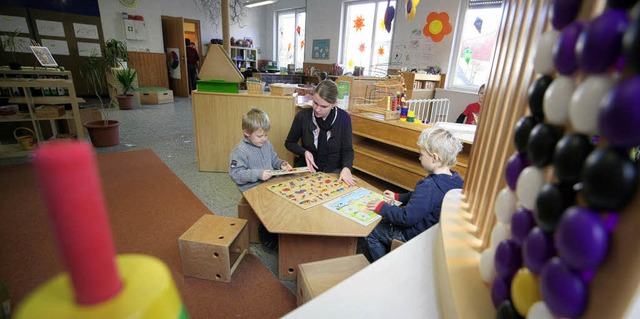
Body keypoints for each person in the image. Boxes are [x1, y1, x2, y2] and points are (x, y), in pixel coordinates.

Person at [364, 127, 464, 261]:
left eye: (422, 154)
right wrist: (398, 197)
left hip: (413, 235)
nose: (419, 157)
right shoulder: (456, 179)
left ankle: (382, 265)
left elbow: (406, 218)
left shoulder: (429, 187)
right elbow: (421, 199)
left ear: (434, 157)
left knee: (372, 231)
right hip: (432, 233)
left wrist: (383, 207)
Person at [229, 107, 292, 250]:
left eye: (265, 135)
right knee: (271, 206)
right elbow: (236, 174)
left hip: (268, 184)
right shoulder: (240, 152)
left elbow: (273, 159)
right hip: (252, 189)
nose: (264, 139)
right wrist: (258, 174)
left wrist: (281, 164)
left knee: (288, 197)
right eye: (259, 136)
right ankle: (267, 238)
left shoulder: (265, 144)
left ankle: (283, 232)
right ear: (246, 132)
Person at [285, 80, 356, 186]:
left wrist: (346, 168)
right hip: (307, 168)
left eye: (324, 106)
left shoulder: (343, 118)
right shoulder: (303, 116)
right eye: (315, 103)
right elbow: (289, 143)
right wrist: (304, 152)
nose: (317, 109)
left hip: (333, 170)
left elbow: (347, 150)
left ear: (334, 104)